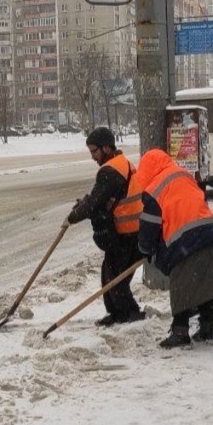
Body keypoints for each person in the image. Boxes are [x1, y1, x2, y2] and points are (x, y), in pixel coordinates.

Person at [135, 149, 213, 348]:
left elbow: (149, 225)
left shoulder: (155, 188)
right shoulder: (183, 175)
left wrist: (144, 248)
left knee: (182, 288)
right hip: (209, 231)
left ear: (147, 170)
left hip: (184, 241)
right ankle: (207, 328)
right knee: (206, 284)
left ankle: (180, 332)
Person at [67, 127, 145, 326]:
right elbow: (105, 197)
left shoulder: (110, 171)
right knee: (110, 275)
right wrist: (84, 204)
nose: (93, 156)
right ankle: (118, 313)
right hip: (134, 231)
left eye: (95, 151)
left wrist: (73, 217)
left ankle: (131, 313)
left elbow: (95, 201)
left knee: (115, 279)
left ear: (107, 148)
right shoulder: (122, 163)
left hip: (128, 234)